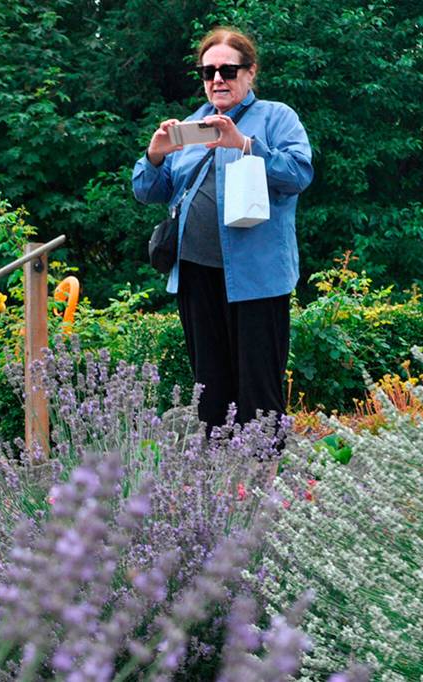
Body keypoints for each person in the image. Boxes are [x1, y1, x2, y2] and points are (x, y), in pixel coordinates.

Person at [133, 26, 313, 430]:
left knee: (259, 386)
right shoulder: (190, 126)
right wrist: (155, 156)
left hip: (257, 274)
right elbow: (148, 191)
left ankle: (264, 477)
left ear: (250, 72)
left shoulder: (277, 117)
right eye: (207, 71)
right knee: (210, 389)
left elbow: (300, 174)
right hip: (196, 274)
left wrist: (245, 144)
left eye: (228, 71)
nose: (217, 79)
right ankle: (217, 480)